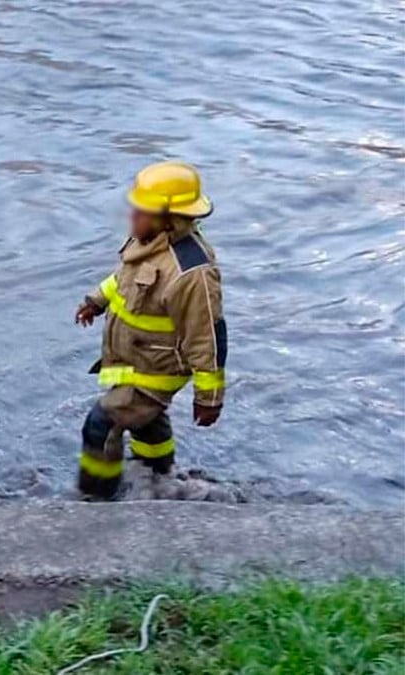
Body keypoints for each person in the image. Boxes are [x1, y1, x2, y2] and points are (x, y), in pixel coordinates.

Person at [74, 160, 227, 500]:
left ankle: (95, 498)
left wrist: (209, 398)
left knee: (101, 424)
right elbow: (124, 281)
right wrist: (96, 301)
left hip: (155, 371)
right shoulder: (148, 242)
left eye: (141, 211)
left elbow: (207, 337)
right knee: (146, 422)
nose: (132, 217)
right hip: (134, 360)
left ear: (169, 218)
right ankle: (159, 477)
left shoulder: (192, 273)